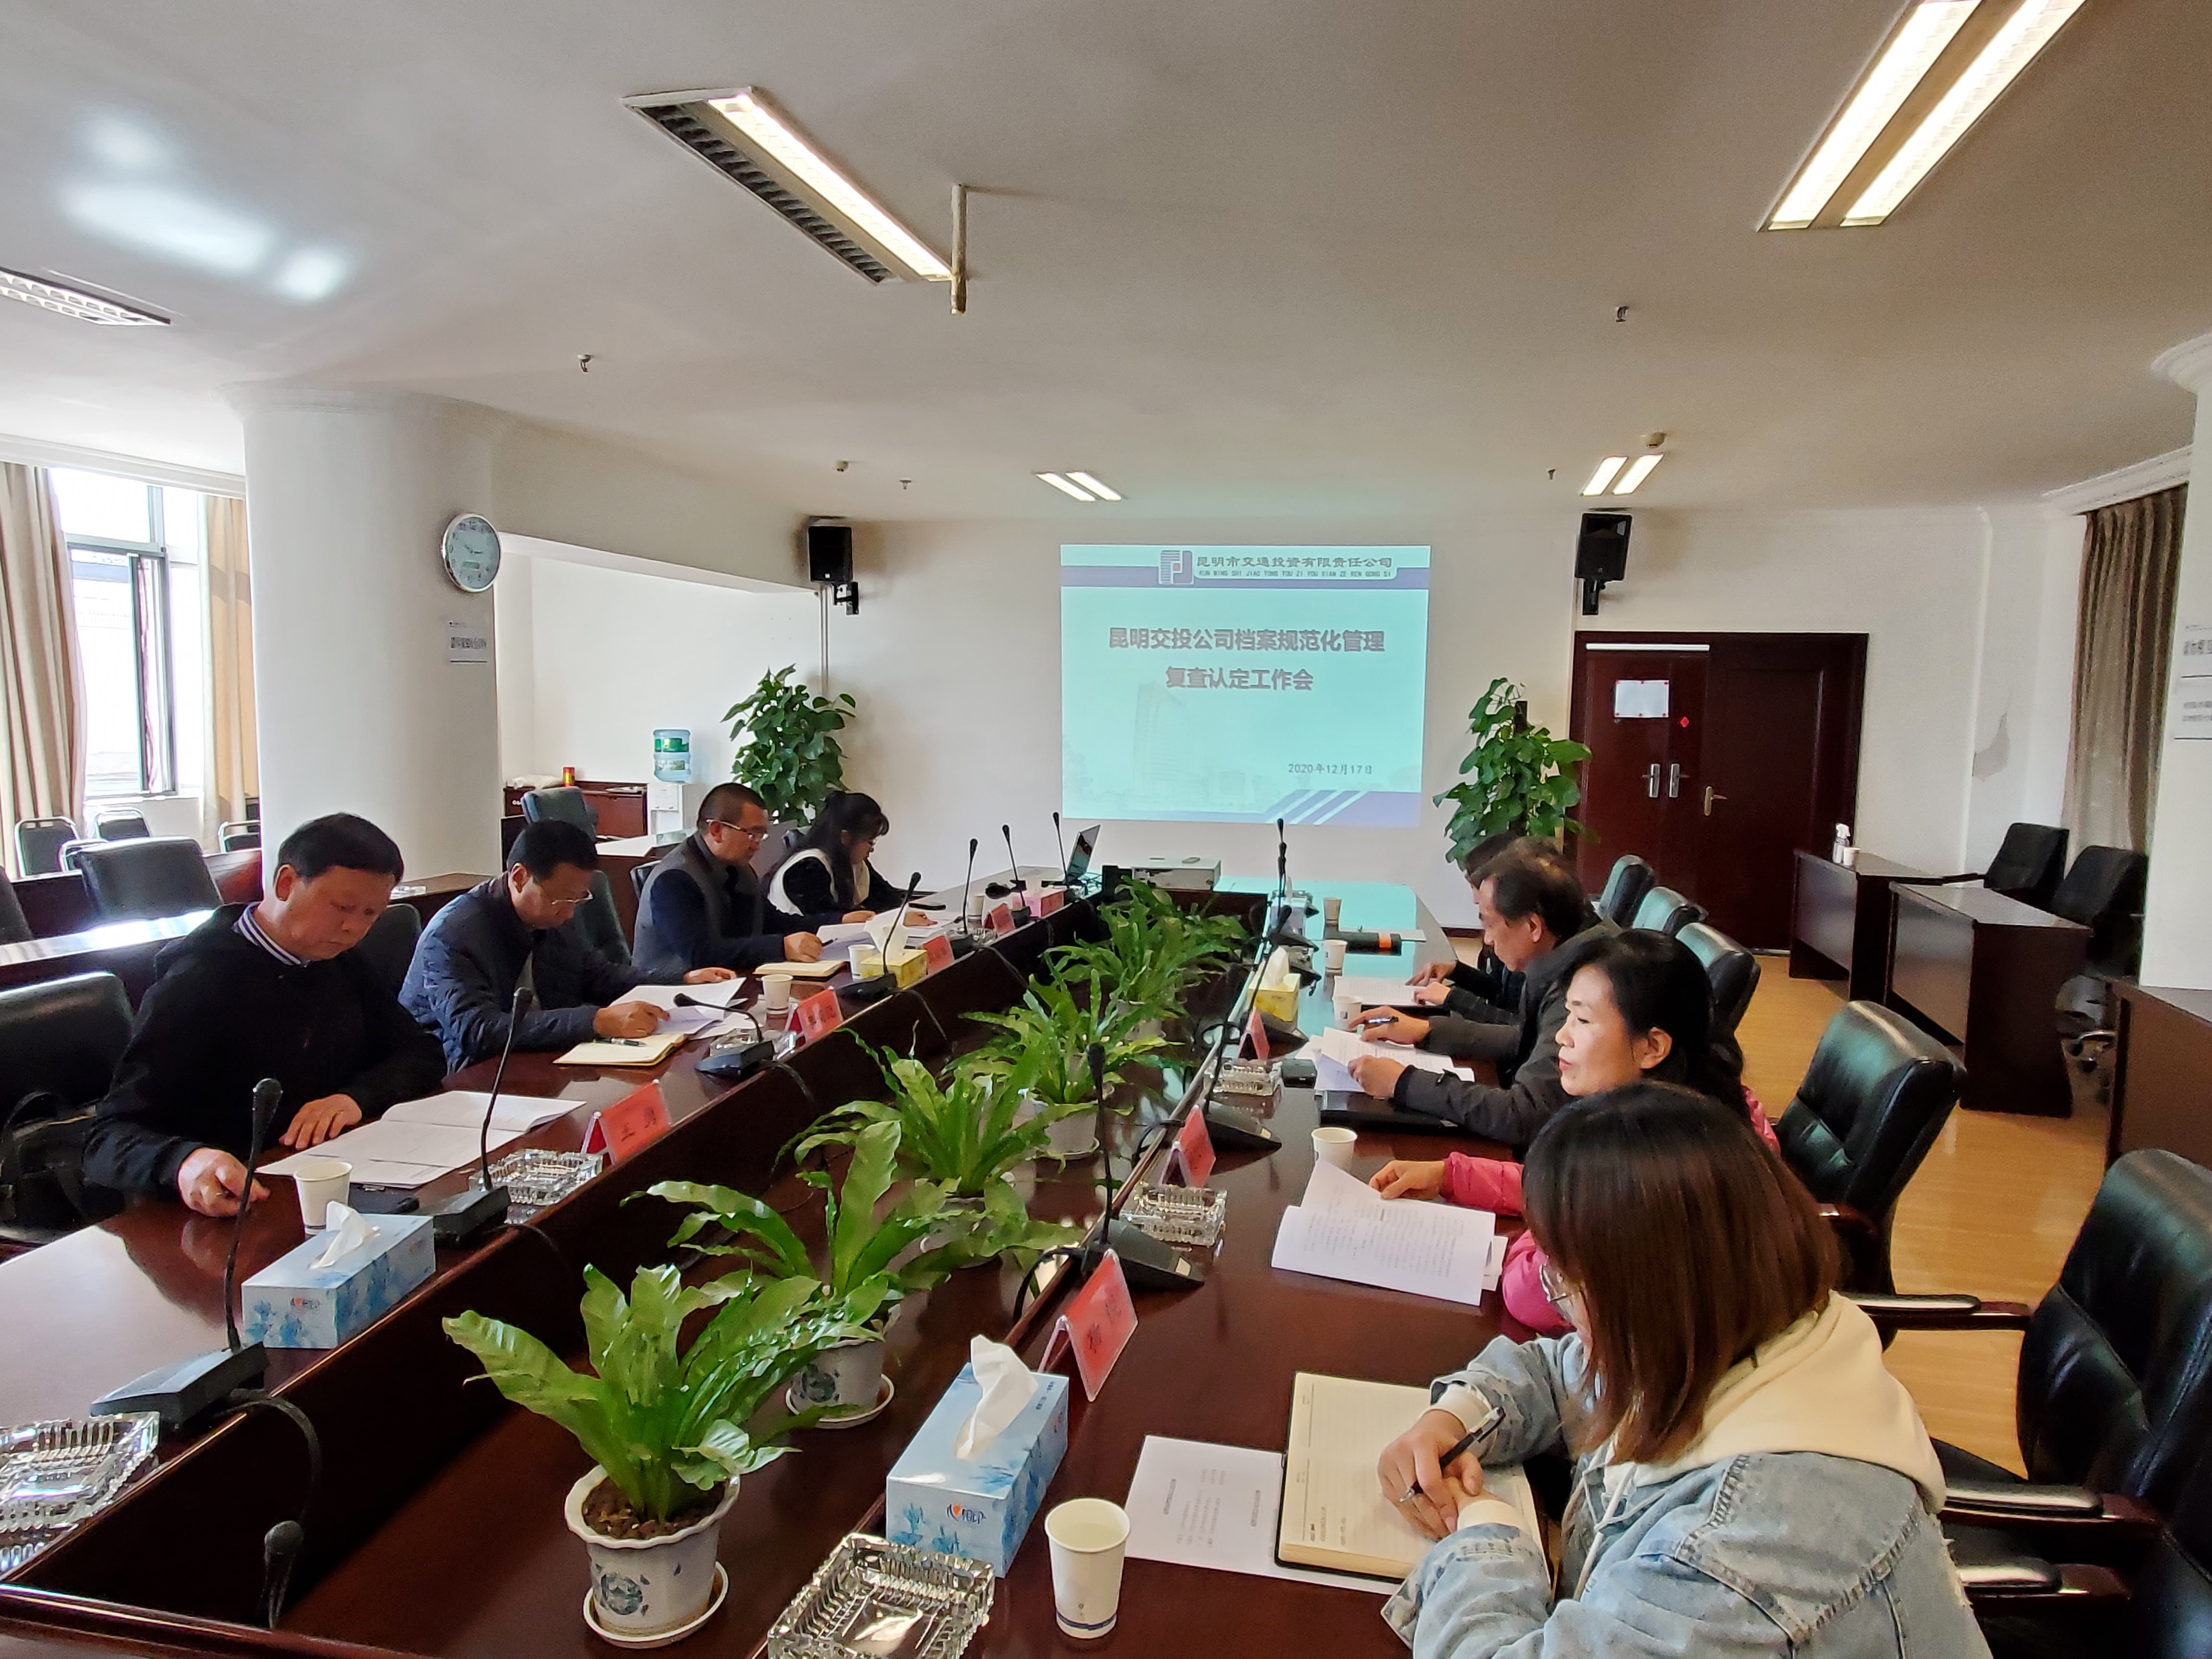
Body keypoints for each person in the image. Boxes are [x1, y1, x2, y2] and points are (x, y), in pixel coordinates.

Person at [1375, 1086, 1983, 1658]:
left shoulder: (1745, 1548)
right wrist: (1453, 1418)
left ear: (1652, 1295)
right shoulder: (1734, 1336)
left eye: (1565, 1280)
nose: (1558, 1301)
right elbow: (1562, 1372)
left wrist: (1484, 1532)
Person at [1370, 930, 1774, 1334]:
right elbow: (1571, 1184)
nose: (1562, 1036)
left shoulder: (1654, 1170)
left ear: (1653, 1047)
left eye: (1582, 1020)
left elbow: (1530, 1294)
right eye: (1567, 1016)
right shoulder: (1708, 1110)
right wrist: (1452, 1175)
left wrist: (1536, 1227)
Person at [82, 813, 448, 1218]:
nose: (354, 928)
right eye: (343, 907)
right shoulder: (198, 982)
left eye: (371, 914)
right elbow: (109, 1136)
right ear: (286, 883)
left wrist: (354, 1098)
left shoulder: (336, 962)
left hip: (328, 1183)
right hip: (235, 1203)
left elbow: (422, 1052)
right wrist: (184, 1162)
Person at [401, 820, 737, 1072]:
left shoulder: (552, 916)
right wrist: (596, 1022)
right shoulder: (453, 935)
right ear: (519, 878)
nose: (570, 912)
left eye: (578, 899)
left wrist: (682, 980)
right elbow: (478, 1031)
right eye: (561, 898)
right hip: (460, 1077)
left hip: (539, 1059)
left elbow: (598, 976)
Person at [1348, 843, 1611, 1145]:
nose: (1486, 939)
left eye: (1488, 923)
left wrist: (1403, 1082)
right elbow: (1527, 1038)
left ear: (1532, 926)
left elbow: (1524, 1114)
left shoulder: (1584, 987)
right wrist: (1428, 1031)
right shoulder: (1570, 956)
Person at [631, 782, 824, 981]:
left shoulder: (738, 868)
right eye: (752, 834)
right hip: (670, 990)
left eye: (761, 836)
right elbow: (701, 953)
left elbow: (771, 921)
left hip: (728, 982)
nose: (757, 846)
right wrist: (781, 947)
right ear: (716, 830)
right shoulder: (674, 879)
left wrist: (835, 923)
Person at [765, 791, 920, 923]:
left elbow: (886, 898)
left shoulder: (854, 863)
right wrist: (894, 919)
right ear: (845, 837)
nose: (872, 849)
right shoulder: (806, 868)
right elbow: (831, 918)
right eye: (870, 842)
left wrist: (911, 908)